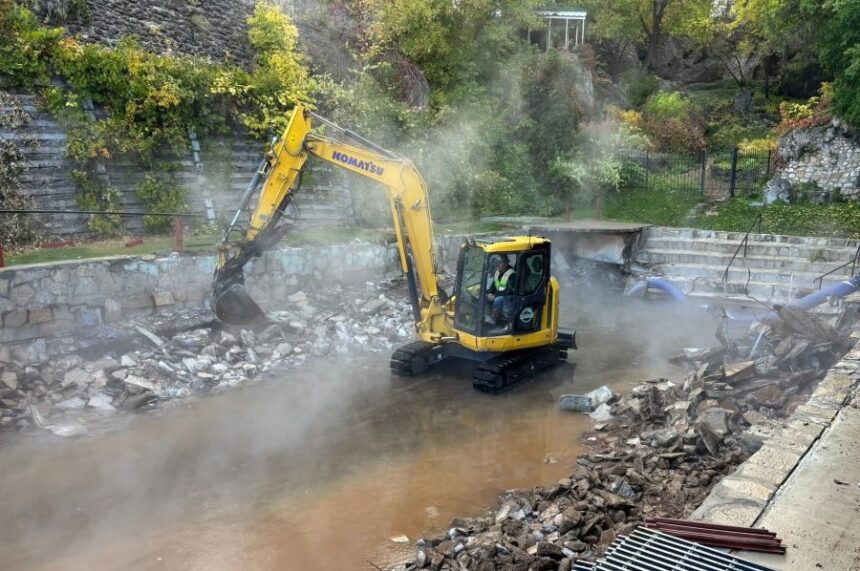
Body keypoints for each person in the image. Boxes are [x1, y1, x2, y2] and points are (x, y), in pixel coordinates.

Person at [487, 255, 516, 325]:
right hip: (499, 294)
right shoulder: (498, 272)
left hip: (509, 297)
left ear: (505, 264)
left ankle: (493, 319)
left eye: (499, 263)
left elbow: (508, 291)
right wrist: (490, 293)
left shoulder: (512, 274)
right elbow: (494, 285)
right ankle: (485, 315)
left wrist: (495, 296)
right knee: (483, 295)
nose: (497, 265)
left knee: (498, 300)